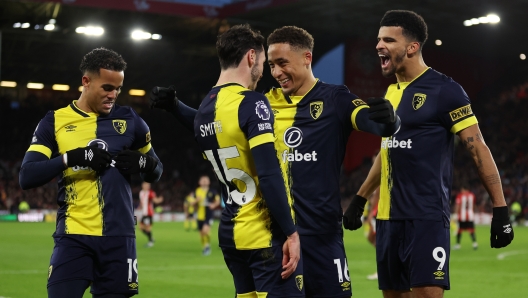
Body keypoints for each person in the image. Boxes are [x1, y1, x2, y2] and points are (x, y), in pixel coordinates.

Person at [151, 25, 401, 297]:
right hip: (278, 238)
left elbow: (371, 121)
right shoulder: (263, 104)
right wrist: (177, 107)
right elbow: (218, 126)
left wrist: (390, 121)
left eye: (283, 63)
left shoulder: (336, 99)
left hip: (322, 238)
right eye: (271, 65)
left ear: (307, 58)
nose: (276, 72)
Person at [342, 10, 514, 298]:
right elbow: (387, 151)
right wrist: (359, 199)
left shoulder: (445, 90)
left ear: (412, 47)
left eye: (388, 40)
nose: (378, 45)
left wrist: (500, 209)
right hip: (387, 219)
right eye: (378, 39)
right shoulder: (391, 93)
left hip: (425, 218)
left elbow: (477, 148)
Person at [159, 24, 303, 297]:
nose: (263, 70)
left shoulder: (205, 109)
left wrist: (175, 106)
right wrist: (291, 232)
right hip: (262, 234)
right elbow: (269, 174)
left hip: (231, 234)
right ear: (251, 57)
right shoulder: (252, 103)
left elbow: (206, 123)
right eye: (261, 62)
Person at [19, 47, 163, 298]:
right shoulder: (55, 121)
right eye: (107, 87)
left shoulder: (131, 120)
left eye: (118, 88)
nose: (114, 95)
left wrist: (144, 164)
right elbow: (27, 175)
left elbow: (157, 170)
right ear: (86, 81)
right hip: (74, 236)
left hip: (120, 238)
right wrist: (70, 158)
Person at [187, 175, 220, 255]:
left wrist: (214, 205)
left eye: (206, 180)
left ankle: (207, 247)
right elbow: (190, 201)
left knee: (205, 230)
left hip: (209, 214)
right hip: (199, 215)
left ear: (209, 182)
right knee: (201, 233)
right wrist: (196, 200)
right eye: (203, 180)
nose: (204, 181)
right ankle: (205, 246)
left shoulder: (212, 191)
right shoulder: (196, 191)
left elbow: (217, 200)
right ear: (199, 182)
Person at [138, 182, 163, 247]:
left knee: (148, 228)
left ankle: (150, 242)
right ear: (142, 185)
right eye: (145, 185)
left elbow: (155, 200)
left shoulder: (151, 193)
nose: (147, 186)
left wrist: (159, 200)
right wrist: (139, 208)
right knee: (140, 228)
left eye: (148, 185)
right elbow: (141, 202)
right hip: (144, 213)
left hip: (149, 213)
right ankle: (151, 238)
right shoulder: (141, 193)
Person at [453, 185, 477, 250]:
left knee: (459, 230)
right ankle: (475, 244)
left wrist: (455, 214)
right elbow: (474, 205)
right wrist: (472, 212)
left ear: (464, 189)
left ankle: (458, 245)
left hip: (462, 216)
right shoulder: (472, 195)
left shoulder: (460, 195)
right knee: (471, 230)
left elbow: (458, 205)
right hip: (470, 215)